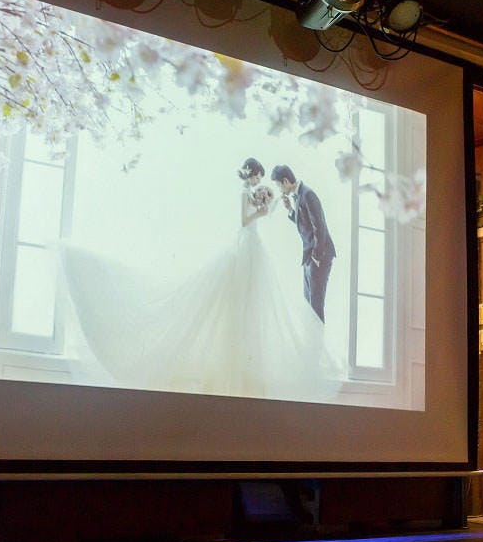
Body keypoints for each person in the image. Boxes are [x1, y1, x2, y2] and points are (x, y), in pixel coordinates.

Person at [59, 158, 337, 401]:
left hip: (260, 248)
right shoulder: (245, 192)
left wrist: (275, 208)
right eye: (259, 177)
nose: (260, 183)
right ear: (252, 174)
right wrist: (263, 209)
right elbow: (245, 220)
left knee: (253, 302)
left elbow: (308, 225)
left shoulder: (294, 195)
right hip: (247, 245)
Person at [270, 164, 335, 323]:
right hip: (309, 257)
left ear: (285, 181)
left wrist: (316, 256)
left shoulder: (307, 194)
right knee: (308, 304)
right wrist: (290, 210)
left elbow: (319, 227)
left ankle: (317, 339)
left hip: (319, 255)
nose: (279, 189)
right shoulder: (299, 195)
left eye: (278, 185)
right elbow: (306, 225)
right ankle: (310, 338)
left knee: (315, 305)